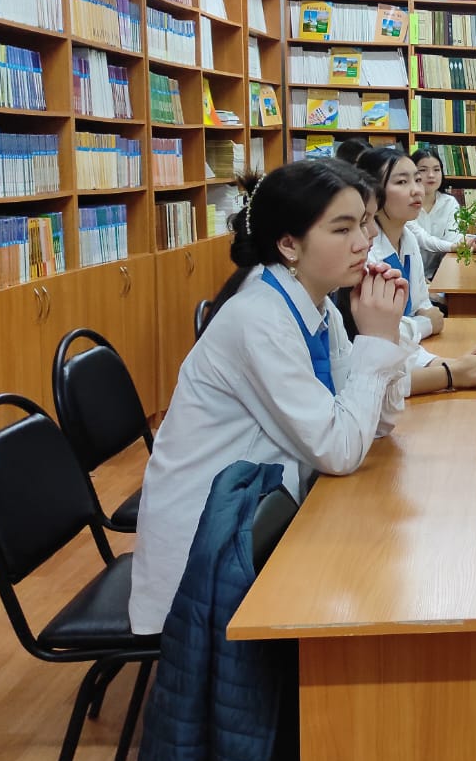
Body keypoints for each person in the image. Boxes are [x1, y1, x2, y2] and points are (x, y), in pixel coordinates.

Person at [129, 159, 415, 635]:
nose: (364, 241)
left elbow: (377, 425)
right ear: (289, 245)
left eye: (364, 224)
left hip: (259, 513)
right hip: (209, 543)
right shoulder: (258, 318)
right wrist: (377, 341)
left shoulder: (318, 304)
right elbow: (340, 450)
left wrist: (383, 333)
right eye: (342, 229)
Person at [356, 146, 476, 393]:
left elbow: (422, 308)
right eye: (401, 182)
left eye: (417, 179)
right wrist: (425, 326)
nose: (417, 189)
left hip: (405, 364)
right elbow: (381, 336)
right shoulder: (365, 253)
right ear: (372, 192)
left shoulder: (407, 239)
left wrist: (448, 365)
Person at [409, 146, 465, 252]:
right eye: (423, 170)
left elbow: (453, 237)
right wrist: (452, 247)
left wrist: (457, 245)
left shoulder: (450, 203)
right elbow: (421, 239)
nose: (431, 175)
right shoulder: (406, 203)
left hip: (444, 261)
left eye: (436, 170)